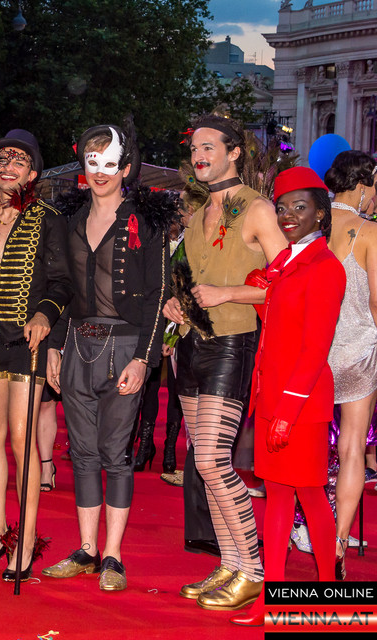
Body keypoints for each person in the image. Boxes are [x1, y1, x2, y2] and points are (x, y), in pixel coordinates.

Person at [162, 115, 286, 610]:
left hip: (233, 341)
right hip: (189, 344)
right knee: (203, 461)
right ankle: (231, 563)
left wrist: (228, 292)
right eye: (195, 148)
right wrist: (174, 305)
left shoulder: (257, 208)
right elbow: (187, 283)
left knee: (214, 461)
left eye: (209, 147)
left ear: (234, 153)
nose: (199, 156)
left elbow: (288, 281)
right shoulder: (197, 215)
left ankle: (253, 570)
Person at [42, 122, 171, 592]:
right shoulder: (69, 220)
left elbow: (159, 295)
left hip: (125, 348)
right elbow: (62, 287)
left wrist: (143, 359)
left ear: (126, 168)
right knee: (82, 452)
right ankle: (86, 549)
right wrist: (54, 344)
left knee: (115, 454)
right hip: (77, 344)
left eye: (110, 162)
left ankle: (113, 555)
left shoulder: (148, 221)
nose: (100, 172)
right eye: (92, 161)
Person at [230, 167, 343, 626]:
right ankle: (270, 599)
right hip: (273, 398)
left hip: (301, 405)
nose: (289, 215)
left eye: (300, 206)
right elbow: (279, 328)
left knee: (311, 496)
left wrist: (288, 411)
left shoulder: (325, 267)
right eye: (282, 208)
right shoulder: (286, 264)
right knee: (277, 499)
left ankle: (330, 597)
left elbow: (316, 348)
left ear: (321, 213)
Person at [0, 129, 71, 581]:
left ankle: (25, 541)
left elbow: (63, 283)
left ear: (32, 174)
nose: (8, 167)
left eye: (19, 161)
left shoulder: (49, 219)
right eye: (2, 160)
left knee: (22, 444)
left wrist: (45, 315)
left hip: (28, 346)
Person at [323, 150, 377, 578]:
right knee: (353, 448)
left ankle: (306, 525)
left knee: (308, 450)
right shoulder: (370, 232)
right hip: (358, 354)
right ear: (360, 186)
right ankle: (338, 540)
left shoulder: (310, 225)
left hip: (313, 355)